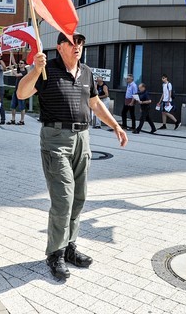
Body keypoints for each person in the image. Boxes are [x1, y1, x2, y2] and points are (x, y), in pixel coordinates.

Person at [16, 31, 128, 281]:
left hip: (82, 139)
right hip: (56, 140)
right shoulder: (47, 69)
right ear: (60, 47)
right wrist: (35, 70)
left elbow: (95, 104)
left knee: (79, 197)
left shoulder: (86, 72)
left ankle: (69, 247)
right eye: (71, 42)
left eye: (80, 42)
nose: (77, 46)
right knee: (63, 199)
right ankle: (54, 253)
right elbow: (22, 94)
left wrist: (115, 126)